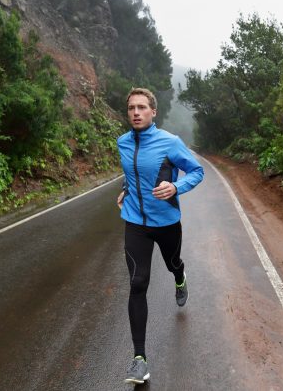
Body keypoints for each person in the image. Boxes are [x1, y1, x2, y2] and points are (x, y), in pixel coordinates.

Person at [116, 87, 205, 385]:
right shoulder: (123, 143)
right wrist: (127, 191)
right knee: (137, 282)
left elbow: (197, 171)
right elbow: (134, 177)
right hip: (135, 223)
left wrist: (176, 188)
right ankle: (139, 359)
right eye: (131, 108)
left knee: (172, 263)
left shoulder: (170, 142)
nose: (136, 112)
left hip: (166, 222)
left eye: (142, 107)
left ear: (153, 112)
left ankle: (180, 278)